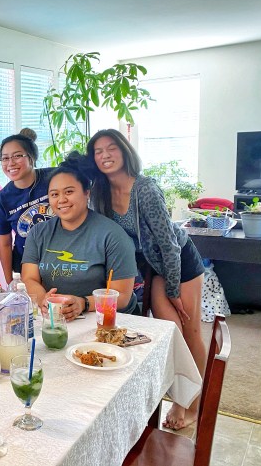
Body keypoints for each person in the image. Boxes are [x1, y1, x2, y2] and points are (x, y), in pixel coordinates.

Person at [87, 128, 206, 430]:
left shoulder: (145, 189)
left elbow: (169, 245)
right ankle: (174, 396)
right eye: (98, 151)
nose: (105, 155)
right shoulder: (99, 192)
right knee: (168, 331)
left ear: (124, 151)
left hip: (179, 262)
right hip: (151, 268)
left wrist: (174, 289)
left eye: (111, 148)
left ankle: (191, 405)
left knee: (188, 331)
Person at [21, 155, 138, 320]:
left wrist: (83, 303)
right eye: (54, 194)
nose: (61, 200)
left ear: (86, 193)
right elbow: (29, 278)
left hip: (107, 320)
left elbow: (123, 296)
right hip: (56, 319)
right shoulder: (38, 233)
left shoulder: (112, 235)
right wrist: (44, 300)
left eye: (69, 192)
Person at [0, 129, 53, 285]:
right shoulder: (2, 199)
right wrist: (10, 282)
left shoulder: (53, 177)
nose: (10, 163)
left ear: (31, 157)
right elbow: (5, 244)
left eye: (17, 156)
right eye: (5, 158)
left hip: (62, 261)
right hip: (26, 266)